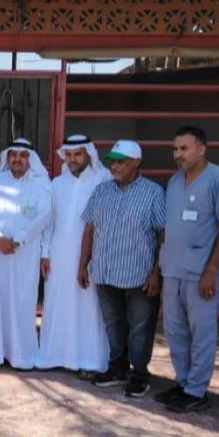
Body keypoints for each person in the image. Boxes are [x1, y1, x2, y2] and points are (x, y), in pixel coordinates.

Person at [156, 126, 219, 412]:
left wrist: (212, 270)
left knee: (201, 333)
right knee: (174, 330)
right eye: (175, 149)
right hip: (173, 270)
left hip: (201, 273)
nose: (178, 154)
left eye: (184, 148)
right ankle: (183, 382)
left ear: (201, 149)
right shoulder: (174, 182)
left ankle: (196, 391)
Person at [79, 139, 165, 398]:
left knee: (140, 328)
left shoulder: (153, 193)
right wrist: (83, 265)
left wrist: (156, 272)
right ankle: (117, 369)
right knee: (113, 324)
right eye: (112, 162)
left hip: (139, 275)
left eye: (120, 162)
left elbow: (163, 234)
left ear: (136, 163)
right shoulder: (101, 191)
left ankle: (139, 375)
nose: (114, 166)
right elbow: (89, 229)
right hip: (105, 271)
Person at [37, 133, 111, 375]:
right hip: (58, 254)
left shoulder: (103, 179)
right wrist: (45, 253)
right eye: (68, 155)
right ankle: (55, 356)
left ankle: (89, 361)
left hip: (90, 254)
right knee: (58, 303)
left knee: (88, 307)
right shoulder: (57, 183)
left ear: (88, 154)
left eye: (77, 154)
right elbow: (49, 222)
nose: (72, 159)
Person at [0, 138, 53, 370]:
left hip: (25, 254)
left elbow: (44, 217)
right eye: (13, 155)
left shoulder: (41, 186)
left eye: (22, 155)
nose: (17, 159)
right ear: (7, 158)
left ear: (31, 160)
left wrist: (19, 240)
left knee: (22, 302)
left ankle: (21, 356)